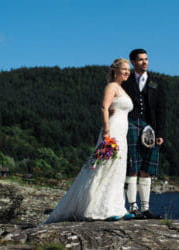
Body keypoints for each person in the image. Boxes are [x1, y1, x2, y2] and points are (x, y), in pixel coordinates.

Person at [43, 58, 134, 223]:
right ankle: (97, 208)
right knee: (103, 167)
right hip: (112, 131)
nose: (127, 72)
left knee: (117, 169)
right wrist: (106, 130)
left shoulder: (122, 88)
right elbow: (104, 107)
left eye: (129, 69)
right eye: (124, 69)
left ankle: (117, 207)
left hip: (122, 133)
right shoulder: (112, 86)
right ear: (115, 70)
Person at [122, 49, 166, 219]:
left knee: (147, 169)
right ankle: (133, 208)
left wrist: (160, 132)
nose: (145, 62)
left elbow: (162, 109)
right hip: (131, 125)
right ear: (133, 62)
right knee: (133, 168)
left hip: (151, 128)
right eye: (140, 60)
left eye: (146, 59)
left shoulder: (156, 82)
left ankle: (146, 208)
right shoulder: (125, 81)